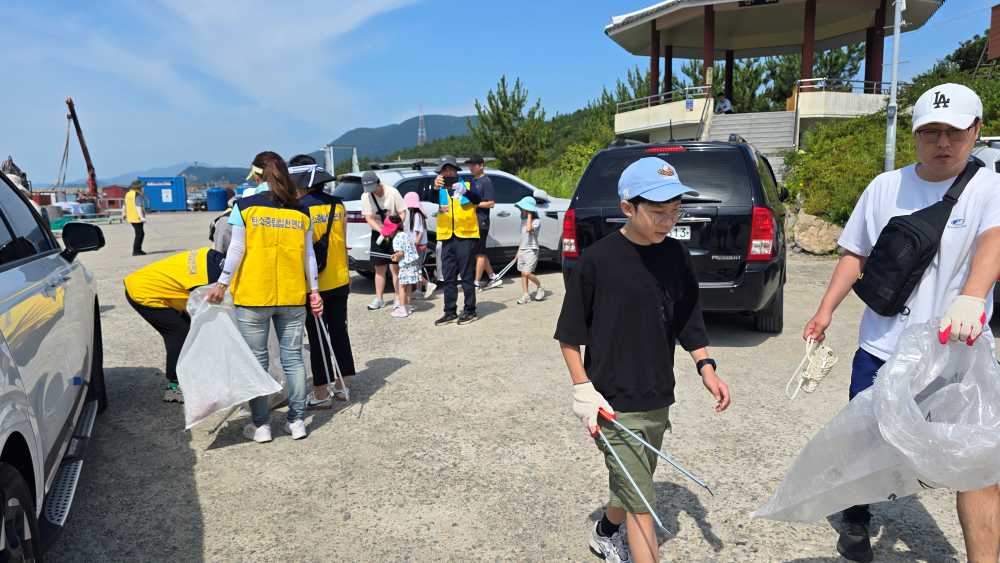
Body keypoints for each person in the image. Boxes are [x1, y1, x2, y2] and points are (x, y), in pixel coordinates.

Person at [803, 83, 1000, 563]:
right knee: (864, 443)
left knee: (979, 467)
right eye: (930, 132)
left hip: (957, 353)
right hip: (884, 346)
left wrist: (973, 296)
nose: (942, 143)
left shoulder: (989, 188)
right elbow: (855, 253)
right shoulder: (885, 187)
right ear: (914, 135)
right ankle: (855, 515)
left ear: (975, 131)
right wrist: (824, 310)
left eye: (954, 131)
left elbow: (995, 237)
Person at [554, 157, 731, 563]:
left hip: (657, 396)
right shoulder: (596, 262)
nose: (668, 221)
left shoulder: (675, 256)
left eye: (675, 212)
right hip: (612, 404)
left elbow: (687, 315)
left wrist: (706, 367)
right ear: (627, 208)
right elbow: (569, 336)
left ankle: (604, 531)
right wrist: (583, 390)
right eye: (658, 212)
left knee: (634, 481)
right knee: (642, 503)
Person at [206, 151, 322, 443]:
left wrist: (222, 283)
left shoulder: (245, 207)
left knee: (257, 362)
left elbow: (235, 250)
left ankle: (261, 426)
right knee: (293, 359)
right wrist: (315, 290)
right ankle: (297, 421)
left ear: (258, 175)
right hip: (293, 295)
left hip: (254, 296)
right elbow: (309, 255)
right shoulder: (300, 210)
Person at [289, 154, 355, 407]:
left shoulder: (297, 208)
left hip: (313, 284)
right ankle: (342, 385)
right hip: (339, 278)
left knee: (316, 337)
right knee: (339, 330)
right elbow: (343, 242)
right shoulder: (337, 206)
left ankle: (320, 392)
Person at [124, 247, 225, 403]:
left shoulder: (214, 257)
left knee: (192, 332)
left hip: (147, 282)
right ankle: (174, 387)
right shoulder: (215, 282)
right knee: (180, 333)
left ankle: (191, 376)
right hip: (143, 293)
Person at [433, 155, 482, 325]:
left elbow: (477, 199)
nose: (447, 173)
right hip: (447, 236)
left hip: (465, 236)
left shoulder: (468, 183)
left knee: (467, 276)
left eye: (450, 169)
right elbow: (428, 201)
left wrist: (465, 191)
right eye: (444, 170)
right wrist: (434, 188)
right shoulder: (439, 188)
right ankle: (450, 311)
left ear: (455, 170)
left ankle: (470, 310)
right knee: (448, 277)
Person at [360, 171, 406, 311]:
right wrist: (381, 230)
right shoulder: (366, 196)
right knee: (379, 267)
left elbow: (403, 212)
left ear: (378, 183)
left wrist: (394, 227)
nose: (372, 192)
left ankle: (398, 298)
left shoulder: (392, 192)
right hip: (378, 234)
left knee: (395, 267)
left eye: (374, 188)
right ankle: (379, 298)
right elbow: (369, 217)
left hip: (395, 233)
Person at [468, 155, 501, 291]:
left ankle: (476, 282)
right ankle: (493, 276)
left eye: (473, 165)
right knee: (479, 251)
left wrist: (476, 205)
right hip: (471, 221)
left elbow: (491, 203)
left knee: (479, 253)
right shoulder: (472, 181)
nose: (471, 167)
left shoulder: (486, 181)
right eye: (469, 165)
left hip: (481, 221)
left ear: (481, 165)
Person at [513, 196, 545, 305]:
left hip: (532, 249)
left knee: (527, 273)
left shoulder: (536, 221)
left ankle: (540, 287)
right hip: (522, 249)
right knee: (523, 273)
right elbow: (523, 237)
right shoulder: (523, 221)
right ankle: (526, 295)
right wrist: (518, 251)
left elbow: (529, 229)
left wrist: (531, 214)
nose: (522, 211)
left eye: (524, 209)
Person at [387, 216, 419, 318]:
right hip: (413, 263)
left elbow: (400, 253)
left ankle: (402, 308)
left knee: (402, 287)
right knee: (408, 285)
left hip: (405, 266)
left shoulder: (396, 239)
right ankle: (408, 306)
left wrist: (395, 257)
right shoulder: (405, 235)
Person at [403, 191, 433, 298]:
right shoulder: (418, 215)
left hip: (417, 246)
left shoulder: (416, 215)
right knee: (417, 267)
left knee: (413, 269)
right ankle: (419, 291)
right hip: (419, 245)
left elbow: (419, 232)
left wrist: (414, 244)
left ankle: (428, 284)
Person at [124, 180, 147, 256]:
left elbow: (125, 205)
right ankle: (136, 251)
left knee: (139, 233)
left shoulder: (128, 194)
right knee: (140, 234)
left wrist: (124, 214)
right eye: (141, 186)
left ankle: (138, 250)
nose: (142, 188)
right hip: (137, 217)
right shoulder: (137, 194)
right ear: (138, 187)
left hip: (130, 216)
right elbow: (138, 206)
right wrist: (141, 217)